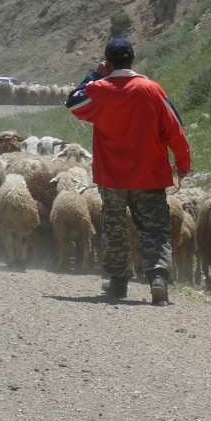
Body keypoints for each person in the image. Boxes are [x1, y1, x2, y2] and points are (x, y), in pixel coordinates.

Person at [65, 37, 191, 305]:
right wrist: (182, 164)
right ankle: (158, 278)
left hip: (112, 177)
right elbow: (175, 128)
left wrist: (94, 75)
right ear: (132, 59)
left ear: (108, 62)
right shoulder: (152, 89)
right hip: (149, 175)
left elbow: (73, 103)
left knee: (115, 228)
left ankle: (118, 281)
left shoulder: (99, 89)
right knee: (154, 229)